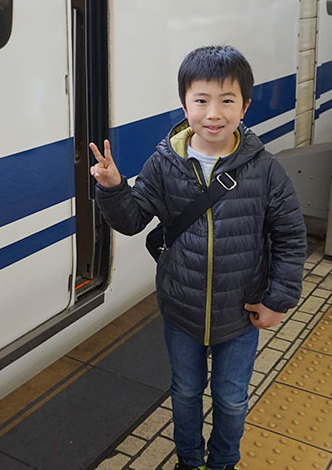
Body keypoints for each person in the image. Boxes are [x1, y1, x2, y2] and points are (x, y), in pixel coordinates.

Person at [88, 46, 306, 470]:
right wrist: (113, 187)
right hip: (181, 310)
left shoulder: (264, 169)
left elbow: (290, 236)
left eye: (227, 101)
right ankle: (189, 460)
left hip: (240, 313)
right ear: (184, 104)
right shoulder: (165, 163)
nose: (213, 113)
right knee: (185, 392)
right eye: (201, 100)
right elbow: (132, 221)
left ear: (245, 106)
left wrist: (278, 299)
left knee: (231, 396)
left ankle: (223, 461)